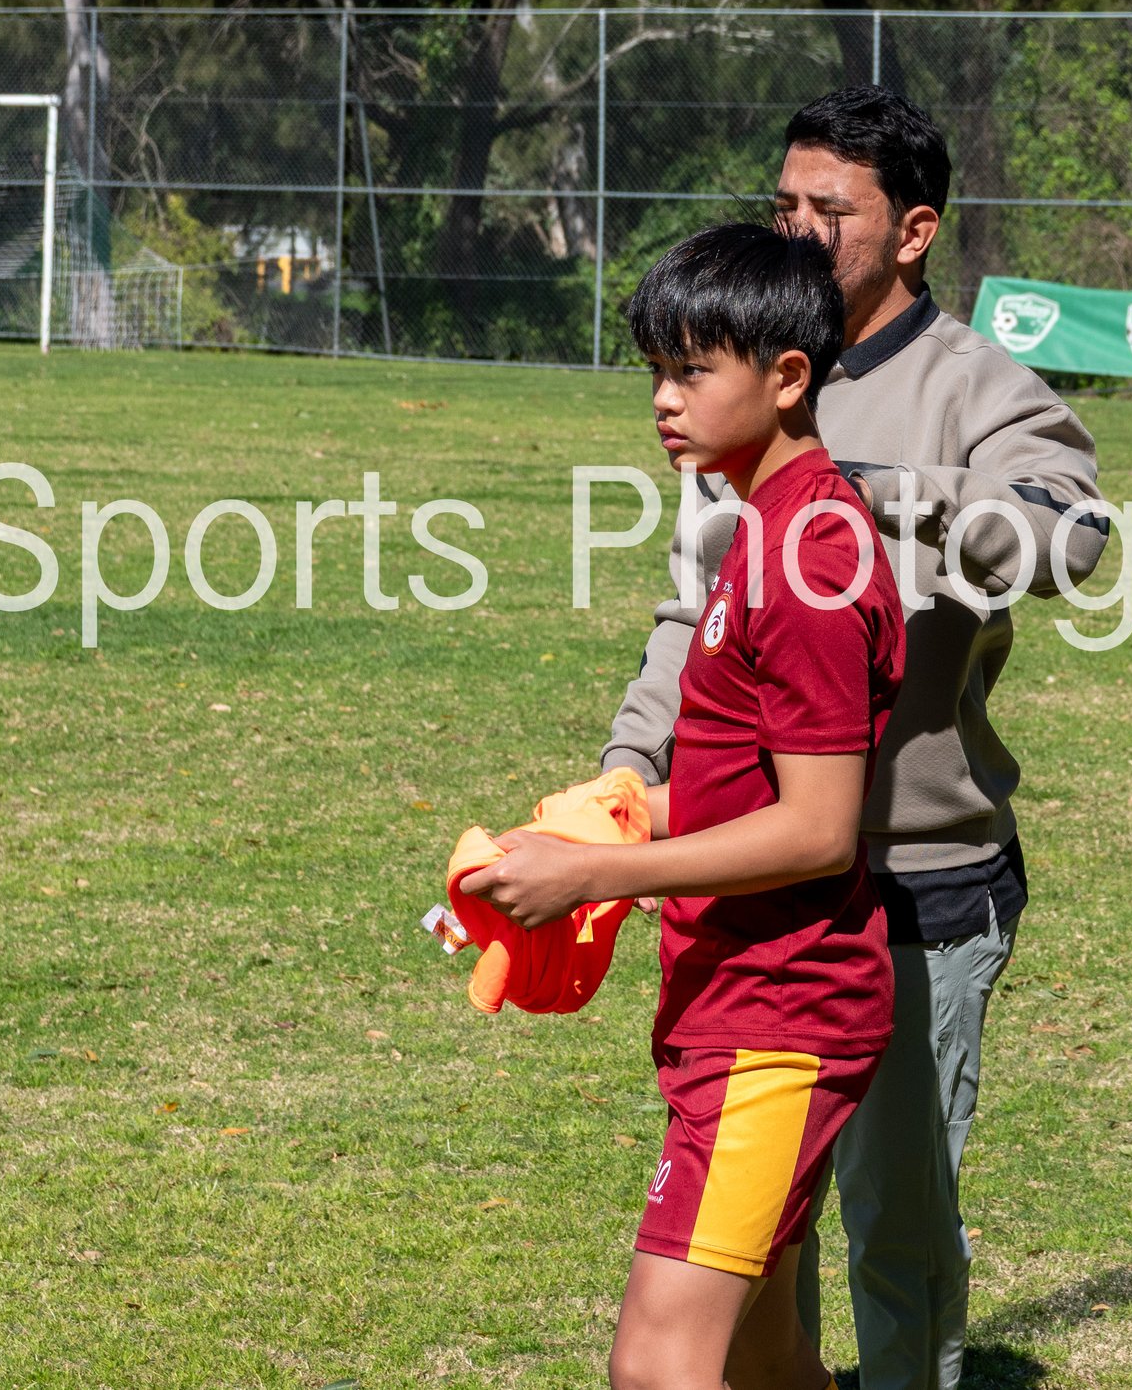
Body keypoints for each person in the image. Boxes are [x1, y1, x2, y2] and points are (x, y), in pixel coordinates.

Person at [600, 88, 1106, 1390]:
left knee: (897, 1224)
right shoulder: (736, 372)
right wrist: (631, 767)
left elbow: (1070, 539)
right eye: (785, 203)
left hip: (916, 875)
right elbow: (693, 608)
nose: (799, 229)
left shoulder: (970, 385)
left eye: (831, 210)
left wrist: (881, 496)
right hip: (766, 888)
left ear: (914, 230)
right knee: (765, 1243)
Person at [460, 223, 906, 1390]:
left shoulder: (808, 559)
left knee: (658, 1363)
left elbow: (817, 827)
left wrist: (589, 876)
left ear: (788, 376)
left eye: (692, 370)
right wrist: (596, 823)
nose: (663, 399)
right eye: (656, 369)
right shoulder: (765, 526)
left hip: (779, 1018)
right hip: (741, 1001)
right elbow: (739, 783)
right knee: (763, 1354)